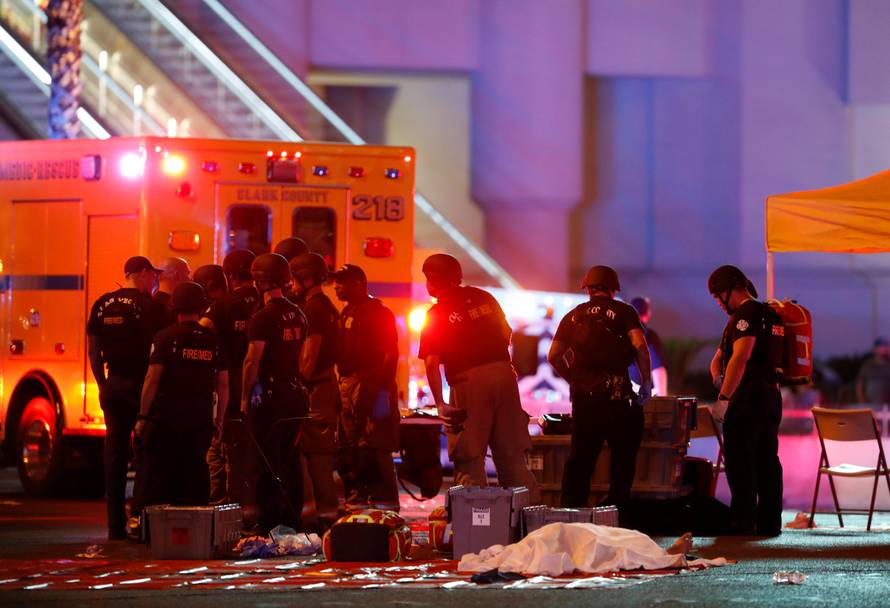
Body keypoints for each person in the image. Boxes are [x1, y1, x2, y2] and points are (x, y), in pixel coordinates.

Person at [419, 253, 540, 502]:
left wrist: (440, 401)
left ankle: (476, 529)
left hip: (468, 382)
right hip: (504, 375)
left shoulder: (436, 313)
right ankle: (530, 526)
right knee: (512, 458)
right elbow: (507, 334)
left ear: (432, 280)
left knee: (470, 457)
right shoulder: (485, 297)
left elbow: (431, 361)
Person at [548, 265, 652, 511]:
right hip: (618, 398)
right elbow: (640, 346)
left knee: (581, 458)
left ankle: (572, 510)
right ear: (613, 289)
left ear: (588, 289)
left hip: (585, 399)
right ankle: (617, 512)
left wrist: (574, 379)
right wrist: (646, 382)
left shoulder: (574, 315)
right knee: (623, 458)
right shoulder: (624, 311)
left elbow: (554, 355)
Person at [86, 256, 165, 540]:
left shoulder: (102, 304)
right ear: (143, 274)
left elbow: (94, 351)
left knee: (115, 456)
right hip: (142, 386)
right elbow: (161, 349)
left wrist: (102, 384)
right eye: (152, 276)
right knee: (146, 453)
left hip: (114, 384)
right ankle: (141, 521)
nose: (154, 282)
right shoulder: (150, 307)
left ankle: (114, 526)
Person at [134, 282, 228, 508]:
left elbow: (152, 379)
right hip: (200, 416)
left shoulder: (165, 337)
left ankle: (158, 531)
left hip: (168, 417)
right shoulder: (213, 340)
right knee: (196, 471)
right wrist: (219, 421)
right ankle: (193, 528)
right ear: (201, 307)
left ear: (174, 307)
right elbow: (223, 384)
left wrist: (142, 417)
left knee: (163, 472)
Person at [707, 264, 783, 536]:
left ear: (729, 290)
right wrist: (718, 376)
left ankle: (742, 521)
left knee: (741, 461)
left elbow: (740, 356)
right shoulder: (770, 314)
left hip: (747, 399)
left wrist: (724, 396)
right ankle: (770, 522)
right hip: (772, 396)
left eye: (717, 296)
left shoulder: (745, 314)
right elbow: (717, 359)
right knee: (768, 460)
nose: (717, 302)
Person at [241, 253, 308, 533]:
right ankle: (293, 518)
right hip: (295, 393)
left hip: (269, 396)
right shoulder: (298, 313)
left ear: (259, 281)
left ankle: (267, 521)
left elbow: (252, 360)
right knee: (291, 459)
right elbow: (302, 356)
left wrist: (244, 396)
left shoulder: (262, 317)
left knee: (265, 460)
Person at [334, 264, 401, 512]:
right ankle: (359, 504)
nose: (336, 286)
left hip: (371, 382)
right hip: (349, 382)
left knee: (375, 445)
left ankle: (385, 507)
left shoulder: (379, 312)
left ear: (360, 284)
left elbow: (390, 352)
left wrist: (382, 389)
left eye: (342, 282)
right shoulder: (348, 311)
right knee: (350, 446)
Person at [201, 251, 261, 514]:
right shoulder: (265, 301)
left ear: (230, 275)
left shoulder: (224, 304)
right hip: (262, 385)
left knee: (229, 447)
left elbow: (202, 330)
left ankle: (231, 506)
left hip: (232, 383)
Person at [290, 253, 342, 523]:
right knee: (319, 452)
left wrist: (297, 381)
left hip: (316, 389)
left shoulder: (313, 309)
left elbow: (310, 353)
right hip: (325, 386)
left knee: (312, 453)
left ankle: (313, 515)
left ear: (306, 278)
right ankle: (325, 513)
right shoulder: (328, 306)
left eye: (294, 278)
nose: (291, 284)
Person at [192, 264, 230, 503]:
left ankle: (215, 501)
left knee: (215, 449)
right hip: (238, 385)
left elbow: (201, 332)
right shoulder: (243, 304)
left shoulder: (214, 312)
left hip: (217, 386)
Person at [629, 296, 668, 396]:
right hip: (644, 401)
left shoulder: (622, 334)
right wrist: (663, 403)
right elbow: (658, 369)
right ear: (647, 314)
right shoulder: (648, 335)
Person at [154, 257, 192, 326]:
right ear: (177, 275)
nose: (191, 279)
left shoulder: (151, 301)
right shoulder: (176, 305)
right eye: (188, 273)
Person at [855, 338, 890, 404]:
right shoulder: (868, 366)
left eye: (886, 346)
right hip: (871, 405)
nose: (885, 348)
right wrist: (862, 402)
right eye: (882, 346)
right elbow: (859, 385)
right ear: (875, 349)